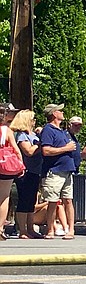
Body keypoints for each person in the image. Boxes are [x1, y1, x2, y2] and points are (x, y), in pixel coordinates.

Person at [38, 104, 78, 239]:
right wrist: (65, 148)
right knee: (53, 202)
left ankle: (71, 230)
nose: (62, 112)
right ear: (54, 114)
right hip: (54, 171)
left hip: (67, 171)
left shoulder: (61, 131)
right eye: (60, 110)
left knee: (68, 200)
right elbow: (46, 150)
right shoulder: (48, 130)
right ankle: (50, 230)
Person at [12, 110, 42, 238]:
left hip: (36, 171)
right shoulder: (21, 135)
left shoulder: (34, 135)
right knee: (24, 200)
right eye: (32, 119)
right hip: (25, 171)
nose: (34, 121)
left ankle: (30, 228)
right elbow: (28, 151)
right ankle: (22, 230)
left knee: (31, 200)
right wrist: (40, 145)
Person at [0, 103, 20, 241]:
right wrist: (21, 165)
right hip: (5, 166)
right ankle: (0, 227)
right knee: (4, 196)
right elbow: (16, 150)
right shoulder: (7, 131)